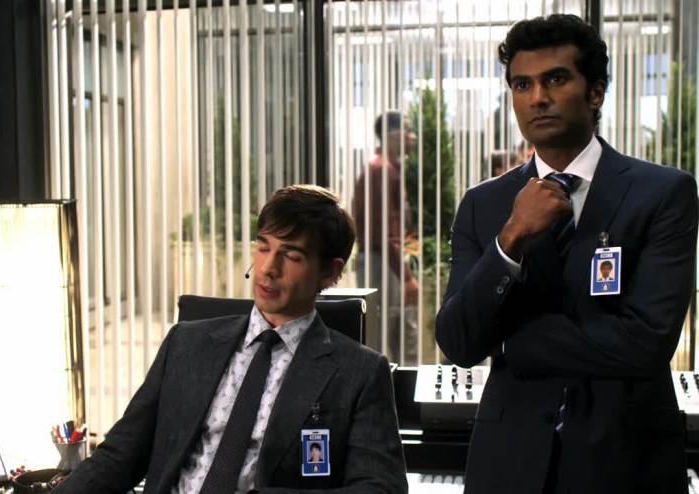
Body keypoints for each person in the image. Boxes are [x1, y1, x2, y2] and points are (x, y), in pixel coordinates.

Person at [436, 14, 698, 494]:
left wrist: (510, 344)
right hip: (509, 462)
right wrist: (512, 236)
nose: (537, 97)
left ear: (595, 92)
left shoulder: (663, 194)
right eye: (522, 84)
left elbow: (648, 341)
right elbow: (458, 341)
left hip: (624, 461)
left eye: (555, 80)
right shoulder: (484, 204)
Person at [54, 185, 407, 494]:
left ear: (330, 272)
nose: (268, 268)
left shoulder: (359, 373)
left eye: (291, 255)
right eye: (263, 247)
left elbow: (381, 488)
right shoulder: (186, 344)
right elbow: (119, 456)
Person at [352, 111, 419, 364]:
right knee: (386, 335)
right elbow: (385, 232)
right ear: (393, 136)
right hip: (382, 263)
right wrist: (407, 277)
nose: (413, 137)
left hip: (386, 261)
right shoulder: (381, 171)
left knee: (397, 332)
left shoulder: (388, 169)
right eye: (408, 130)